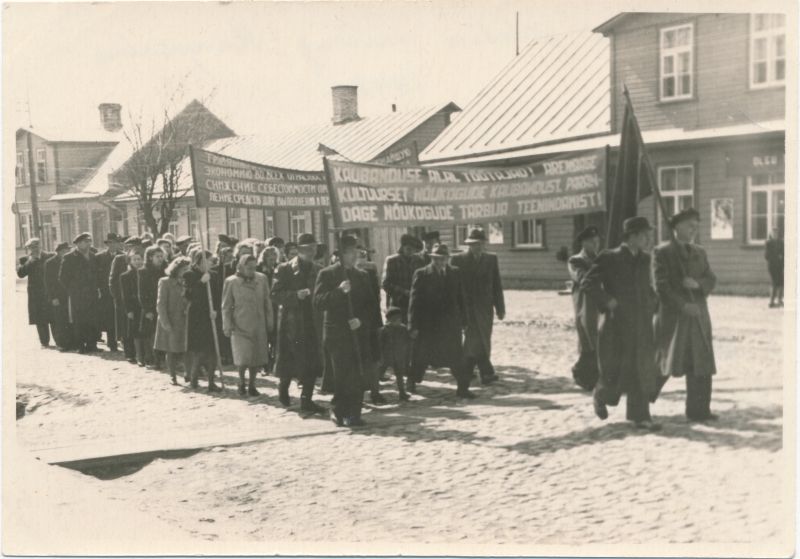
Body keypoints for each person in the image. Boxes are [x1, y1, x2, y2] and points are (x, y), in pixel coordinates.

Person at [581, 216, 661, 431]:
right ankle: (600, 393)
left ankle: (639, 415)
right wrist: (607, 300)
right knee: (614, 370)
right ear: (632, 236)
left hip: (640, 323)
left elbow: (646, 287)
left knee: (641, 366)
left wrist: (654, 303)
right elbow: (588, 283)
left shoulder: (644, 259)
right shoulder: (610, 257)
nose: (648, 239)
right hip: (616, 324)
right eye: (645, 235)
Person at [653, 208, 718, 422]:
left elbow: (711, 278)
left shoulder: (700, 252)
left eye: (696, 226)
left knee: (701, 362)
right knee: (666, 363)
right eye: (690, 225)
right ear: (677, 227)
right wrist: (682, 305)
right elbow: (661, 286)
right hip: (675, 319)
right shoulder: (663, 252)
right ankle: (640, 402)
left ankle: (699, 410)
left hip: (698, 315)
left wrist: (697, 284)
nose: (694, 230)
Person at [314, 234, 382, 426]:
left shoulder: (362, 276)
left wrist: (361, 321)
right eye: (350, 252)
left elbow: (371, 306)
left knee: (359, 374)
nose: (354, 256)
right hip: (337, 333)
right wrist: (338, 291)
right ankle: (337, 410)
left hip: (358, 332)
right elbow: (318, 302)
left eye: (356, 252)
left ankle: (355, 412)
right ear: (341, 254)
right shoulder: (327, 274)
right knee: (342, 374)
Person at [408, 243, 474, 398]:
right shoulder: (422, 274)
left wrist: (465, 320)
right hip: (428, 324)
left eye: (443, 259)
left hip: (450, 324)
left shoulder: (455, 273)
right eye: (437, 259)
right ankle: (411, 381)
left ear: (448, 259)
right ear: (432, 258)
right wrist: (413, 325)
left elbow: (461, 298)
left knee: (456, 356)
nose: (440, 262)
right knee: (421, 356)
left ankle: (462, 388)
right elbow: (414, 301)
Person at [272, 233, 326, 412]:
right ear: (299, 250)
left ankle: (306, 399)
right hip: (292, 324)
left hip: (312, 322)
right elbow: (275, 295)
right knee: (289, 361)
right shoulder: (285, 269)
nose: (312, 252)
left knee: (312, 362)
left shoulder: (318, 270)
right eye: (308, 249)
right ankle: (283, 388)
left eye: (314, 249)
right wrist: (295, 295)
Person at [451, 228, 505, 385]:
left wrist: (500, 308)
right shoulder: (458, 259)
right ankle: (485, 372)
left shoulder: (491, 259)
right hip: (465, 308)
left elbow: (496, 285)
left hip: (484, 308)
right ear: (468, 245)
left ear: (484, 244)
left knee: (483, 338)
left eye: (480, 243)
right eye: (474, 244)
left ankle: (467, 371)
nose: (478, 246)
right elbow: (453, 286)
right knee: (472, 339)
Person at [222, 254, 275, 396]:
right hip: (240, 324)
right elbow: (226, 306)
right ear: (240, 266)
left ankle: (252, 384)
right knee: (243, 358)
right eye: (248, 268)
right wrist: (227, 325)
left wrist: (270, 321)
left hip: (258, 323)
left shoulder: (261, 279)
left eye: (254, 267)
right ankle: (241, 382)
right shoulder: (231, 282)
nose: (252, 270)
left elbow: (267, 302)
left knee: (256, 357)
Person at [567, 226, 602, 391]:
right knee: (588, 338)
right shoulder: (576, 260)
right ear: (583, 243)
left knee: (599, 338)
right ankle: (581, 373)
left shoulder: (601, 258)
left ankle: (592, 376)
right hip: (585, 304)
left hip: (600, 304)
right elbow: (582, 279)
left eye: (597, 241)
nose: (595, 244)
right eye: (591, 242)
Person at [184, 248, 223, 392]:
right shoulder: (189, 275)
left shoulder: (214, 275)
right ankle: (193, 379)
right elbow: (189, 295)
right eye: (207, 261)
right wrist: (200, 282)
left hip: (211, 316)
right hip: (197, 316)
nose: (210, 264)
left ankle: (212, 381)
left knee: (213, 350)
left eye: (211, 261)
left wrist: (216, 311)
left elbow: (218, 296)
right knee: (199, 350)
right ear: (199, 261)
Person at [59, 233, 101, 353]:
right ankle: (80, 346)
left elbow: (96, 275)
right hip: (78, 295)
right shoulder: (70, 257)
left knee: (92, 319)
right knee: (79, 320)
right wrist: (73, 290)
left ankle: (92, 344)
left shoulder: (93, 256)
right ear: (77, 244)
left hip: (92, 293)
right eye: (85, 241)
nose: (88, 244)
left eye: (89, 241)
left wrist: (97, 288)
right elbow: (62, 277)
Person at [154, 256, 190, 385]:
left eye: (188, 269)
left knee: (186, 347)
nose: (186, 271)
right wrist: (165, 322)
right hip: (171, 319)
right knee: (171, 349)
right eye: (184, 269)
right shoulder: (165, 282)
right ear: (176, 269)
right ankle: (172, 375)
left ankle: (187, 372)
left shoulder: (187, 282)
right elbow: (161, 304)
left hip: (185, 319)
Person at [17, 238, 54, 348]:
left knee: (54, 316)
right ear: (29, 249)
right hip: (36, 293)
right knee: (40, 318)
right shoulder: (25, 260)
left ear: (41, 245)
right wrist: (30, 261)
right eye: (32, 247)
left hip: (49, 290)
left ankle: (60, 340)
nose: (35, 248)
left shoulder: (50, 256)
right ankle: (44, 342)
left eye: (37, 246)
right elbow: (21, 274)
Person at [110, 236, 142, 361]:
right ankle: (129, 354)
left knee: (137, 327)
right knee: (126, 328)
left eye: (137, 247)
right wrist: (117, 299)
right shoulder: (119, 259)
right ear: (126, 247)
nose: (134, 249)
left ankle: (140, 353)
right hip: (123, 299)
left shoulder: (142, 259)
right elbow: (112, 281)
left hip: (138, 299)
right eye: (131, 247)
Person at [382, 234, 425, 321]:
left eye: (413, 249)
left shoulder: (419, 261)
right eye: (408, 248)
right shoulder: (392, 261)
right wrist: (403, 292)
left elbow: (423, 281)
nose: (411, 251)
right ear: (402, 247)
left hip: (414, 303)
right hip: (397, 304)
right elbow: (385, 284)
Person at [137, 245, 166, 368]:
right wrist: (147, 310)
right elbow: (142, 293)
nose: (160, 259)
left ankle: (162, 358)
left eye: (161, 256)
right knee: (151, 334)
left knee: (163, 333)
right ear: (150, 257)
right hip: (150, 307)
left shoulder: (165, 270)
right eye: (157, 256)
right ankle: (152, 359)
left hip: (163, 305)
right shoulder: (143, 272)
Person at [96, 233, 124, 351]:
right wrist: (98, 289)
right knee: (109, 317)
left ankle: (122, 340)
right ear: (107, 244)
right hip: (106, 292)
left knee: (120, 316)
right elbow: (96, 275)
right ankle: (112, 342)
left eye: (115, 243)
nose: (113, 245)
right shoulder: (100, 257)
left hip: (120, 291)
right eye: (110, 243)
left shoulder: (123, 256)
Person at [44, 242, 74, 351]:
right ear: (60, 251)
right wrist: (53, 297)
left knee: (69, 319)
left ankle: (71, 342)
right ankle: (61, 343)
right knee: (59, 320)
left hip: (69, 294)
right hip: (57, 296)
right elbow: (48, 282)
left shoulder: (69, 261)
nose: (68, 252)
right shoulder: (50, 263)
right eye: (66, 250)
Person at [379, 306, 413, 401]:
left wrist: (407, 355)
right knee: (379, 373)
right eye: (395, 319)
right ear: (390, 320)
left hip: (399, 356)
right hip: (387, 356)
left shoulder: (403, 329)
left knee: (400, 376)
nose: (398, 321)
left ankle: (402, 393)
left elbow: (408, 341)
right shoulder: (384, 330)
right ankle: (374, 391)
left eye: (399, 319)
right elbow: (380, 344)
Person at [120, 247, 146, 365]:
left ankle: (144, 355)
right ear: (130, 261)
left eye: (139, 259)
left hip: (143, 306)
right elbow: (124, 295)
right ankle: (132, 355)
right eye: (135, 260)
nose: (137, 262)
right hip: (133, 306)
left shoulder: (145, 273)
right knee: (132, 331)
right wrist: (128, 310)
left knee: (143, 331)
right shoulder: (125, 276)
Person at [765, 227, 784, 308]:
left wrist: (781, 257)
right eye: (773, 233)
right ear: (771, 234)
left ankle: (779, 300)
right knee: (774, 282)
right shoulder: (768, 243)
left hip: (780, 265)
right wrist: (777, 256)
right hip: (772, 266)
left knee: (781, 282)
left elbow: (783, 253)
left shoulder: (781, 242)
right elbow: (766, 256)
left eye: (776, 233)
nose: (775, 234)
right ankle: (771, 302)